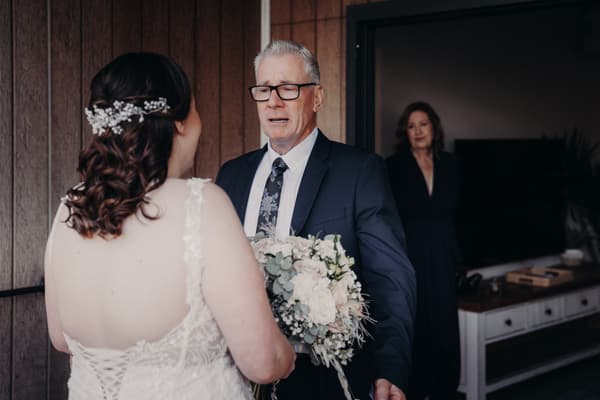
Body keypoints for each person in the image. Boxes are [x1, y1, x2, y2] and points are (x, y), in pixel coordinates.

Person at [44, 52, 295, 400]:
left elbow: (60, 337)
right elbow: (263, 364)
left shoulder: (70, 208)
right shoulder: (202, 204)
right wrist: (291, 354)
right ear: (179, 121)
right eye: (194, 108)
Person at [216, 40, 416, 400]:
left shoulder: (359, 171)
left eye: (288, 89)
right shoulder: (231, 175)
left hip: (322, 381)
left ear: (317, 98)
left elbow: (390, 278)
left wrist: (391, 368)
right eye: (263, 90)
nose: (273, 102)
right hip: (237, 376)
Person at [385, 101, 461, 400]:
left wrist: (458, 260)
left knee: (445, 326)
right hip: (410, 254)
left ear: (434, 128)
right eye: (411, 126)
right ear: (405, 132)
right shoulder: (392, 167)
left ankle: (445, 390)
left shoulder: (452, 164)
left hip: (443, 256)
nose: (418, 131)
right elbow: (387, 218)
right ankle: (414, 391)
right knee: (416, 324)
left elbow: (459, 216)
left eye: (423, 124)